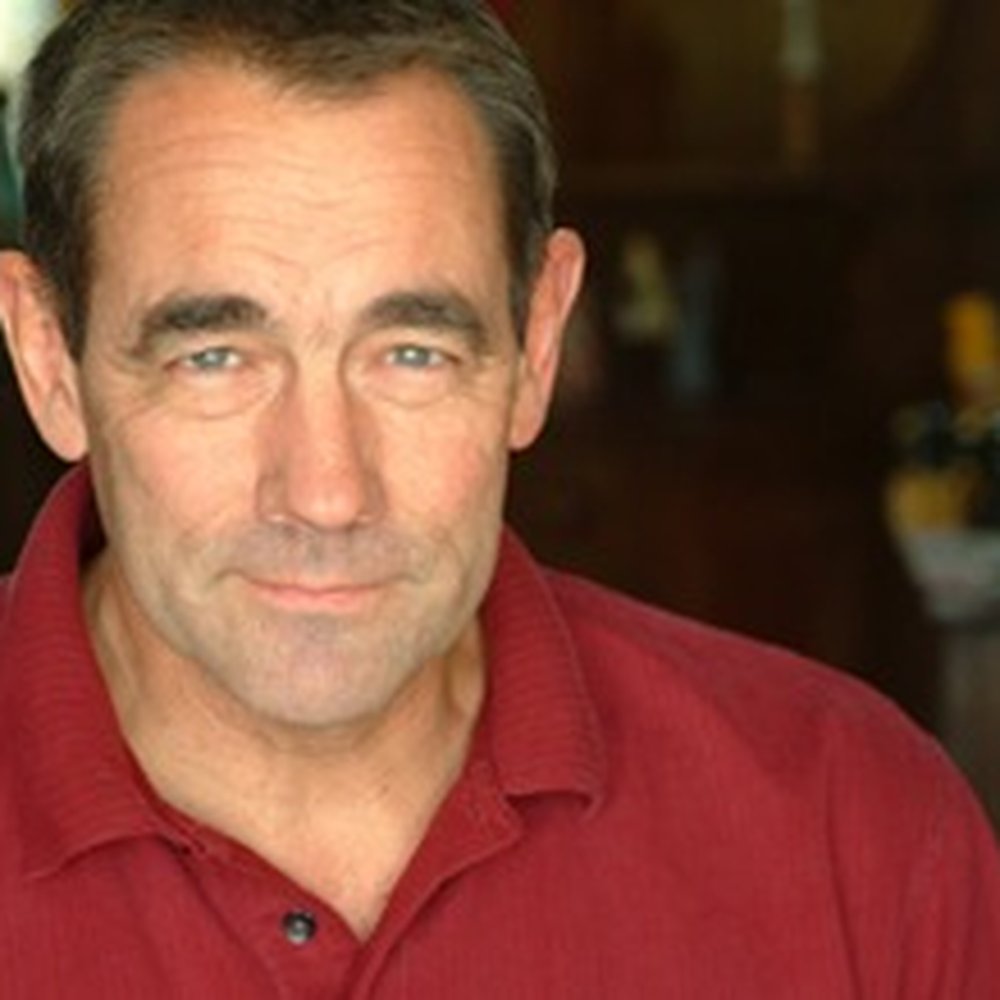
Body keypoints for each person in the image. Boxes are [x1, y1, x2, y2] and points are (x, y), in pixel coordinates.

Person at [0, 1, 997, 996]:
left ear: (538, 345)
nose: (326, 493)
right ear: (48, 359)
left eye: (412, 354)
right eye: (215, 358)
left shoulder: (857, 831)